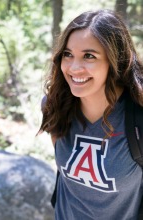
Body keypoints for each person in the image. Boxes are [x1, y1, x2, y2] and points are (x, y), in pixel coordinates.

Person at [38, 9, 143, 220]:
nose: (74, 68)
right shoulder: (55, 106)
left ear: (115, 61)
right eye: (68, 54)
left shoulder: (138, 117)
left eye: (89, 56)